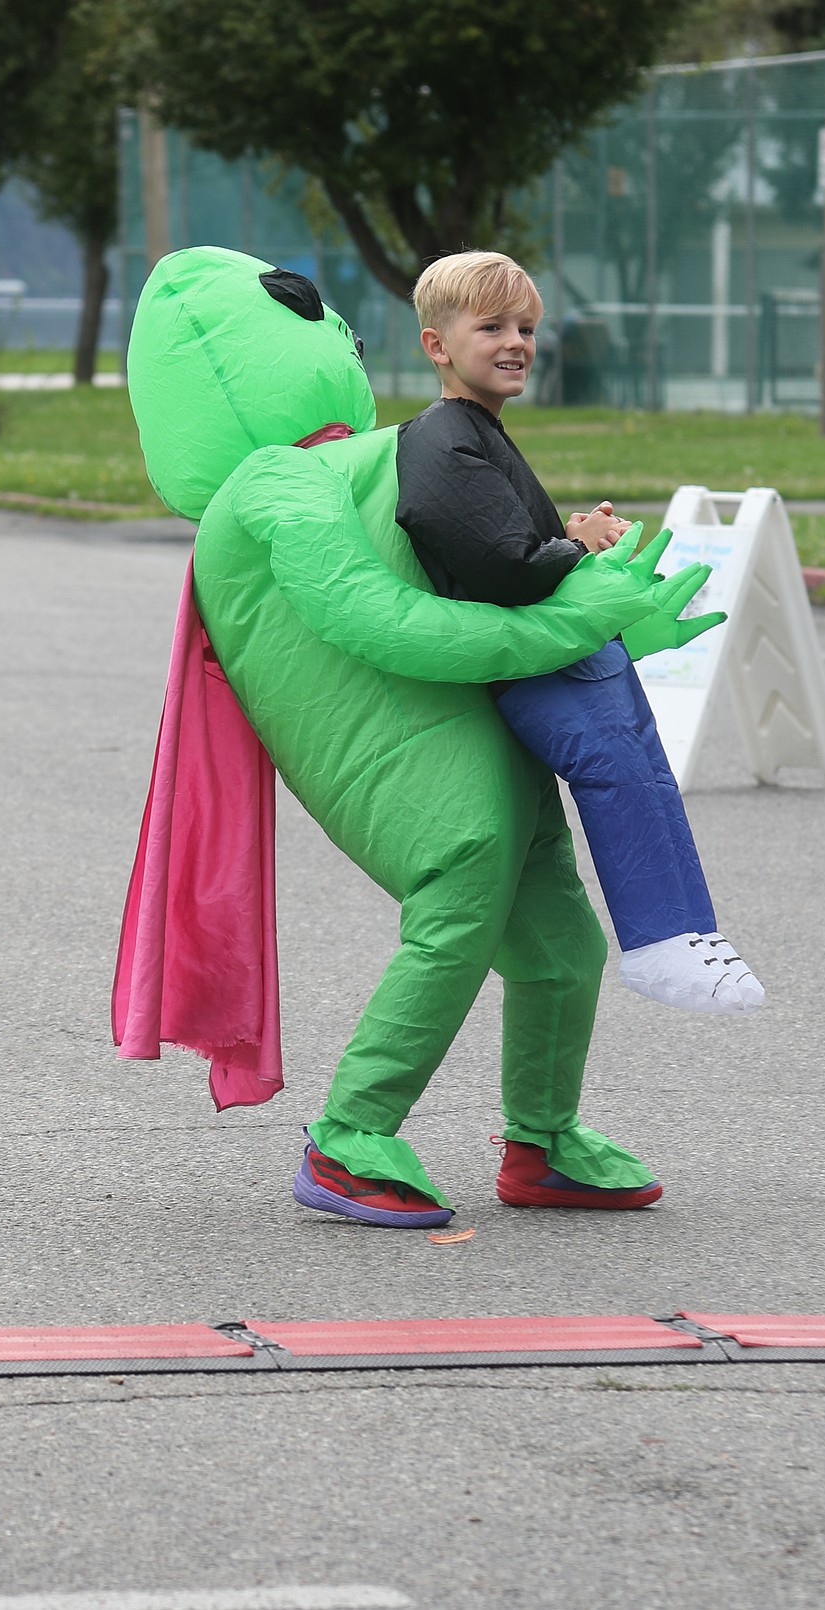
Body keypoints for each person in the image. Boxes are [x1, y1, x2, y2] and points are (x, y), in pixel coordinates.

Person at [116, 246, 722, 1228]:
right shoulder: (273, 483)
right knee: (463, 883)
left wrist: (581, 573)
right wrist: (571, 620)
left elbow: (466, 553)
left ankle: (545, 1138)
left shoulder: (348, 459)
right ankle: (350, 1134)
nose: (335, 340)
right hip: (407, 746)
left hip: (471, 719)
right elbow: (378, 619)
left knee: (560, 940)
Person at [396, 250, 764, 1014]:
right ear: (438, 346)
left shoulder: (480, 431)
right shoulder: (441, 438)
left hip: (567, 645)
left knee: (646, 770)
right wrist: (575, 550)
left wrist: (567, 531)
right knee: (614, 773)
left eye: (525, 327)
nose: (514, 342)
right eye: (491, 326)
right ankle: (660, 942)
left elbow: (512, 537)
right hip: (531, 660)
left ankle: (692, 931)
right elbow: (501, 564)